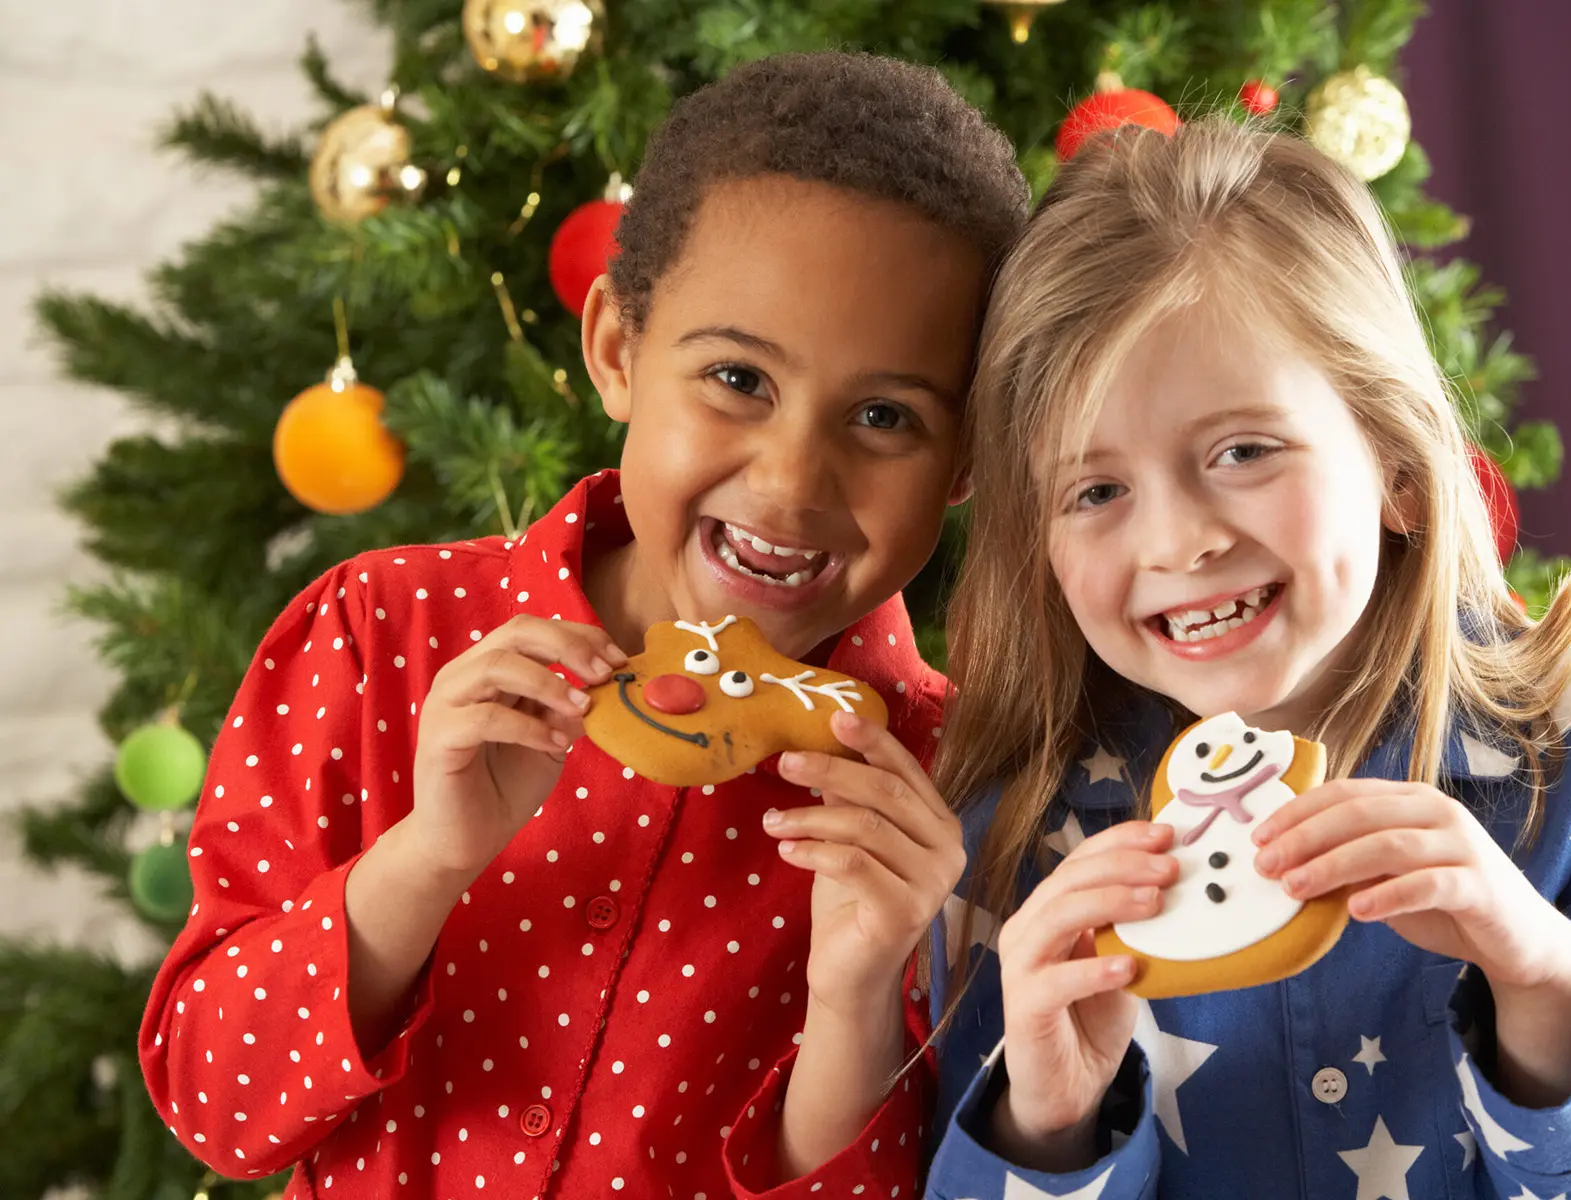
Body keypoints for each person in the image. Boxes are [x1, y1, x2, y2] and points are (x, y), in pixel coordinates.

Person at [140, 50, 1027, 1198]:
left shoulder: (956, 793)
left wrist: (856, 995)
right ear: (616, 348)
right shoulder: (379, 635)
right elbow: (216, 1105)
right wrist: (427, 859)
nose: (792, 479)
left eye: (883, 416)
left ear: (965, 460)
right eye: (737, 380)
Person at [924, 117, 1571, 1198]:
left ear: (1400, 467)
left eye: (1244, 451)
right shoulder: (1015, 825)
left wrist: (1539, 978)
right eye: (1096, 491)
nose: (1177, 542)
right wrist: (1048, 1118)